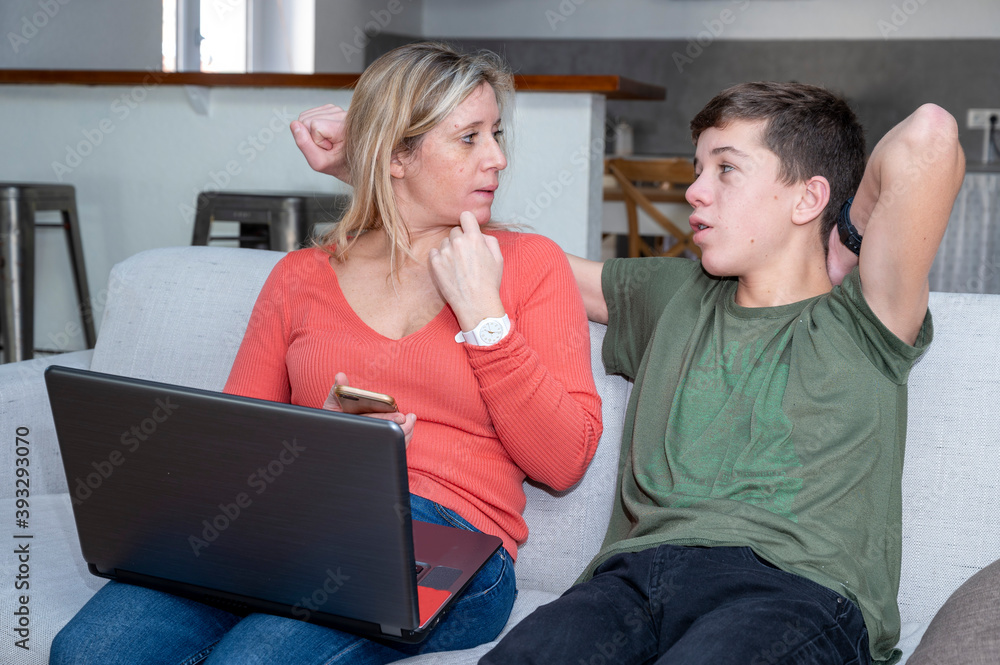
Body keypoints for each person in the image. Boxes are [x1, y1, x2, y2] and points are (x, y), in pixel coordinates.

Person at [50, 42, 602, 665]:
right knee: (88, 649)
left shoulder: (528, 266)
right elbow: (230, 446)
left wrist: (484, 320)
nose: (498, 158)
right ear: (397, 155)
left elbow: (564, 461)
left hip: (450, 540)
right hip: (288, 524)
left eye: (496, 134)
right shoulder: (301, 276)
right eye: (470, 137)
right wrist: (325, 438)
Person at [476, 84, 965, 664]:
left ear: (807, 199)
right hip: (626, 587)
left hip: (790, 592)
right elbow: (519, 260)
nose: (695, 191)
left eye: (727, 169)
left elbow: (930, 134)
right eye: (698, 168)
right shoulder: (674, 295)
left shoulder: (864, 320)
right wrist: (379, 165)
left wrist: (847, 240)